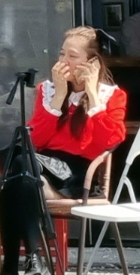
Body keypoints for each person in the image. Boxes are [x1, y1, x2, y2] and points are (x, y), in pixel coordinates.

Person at [28, 27, 128, 205]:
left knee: (19, 180)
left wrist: (92, 94)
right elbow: (37, 140)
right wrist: (59, 96)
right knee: (16, 162)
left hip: (78, 174)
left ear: (93, 63)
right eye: (62, 54)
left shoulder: (111, 96)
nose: (63, 61)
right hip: (44, 165)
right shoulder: (47, 91)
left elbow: (109, 141)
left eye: (72, 56)